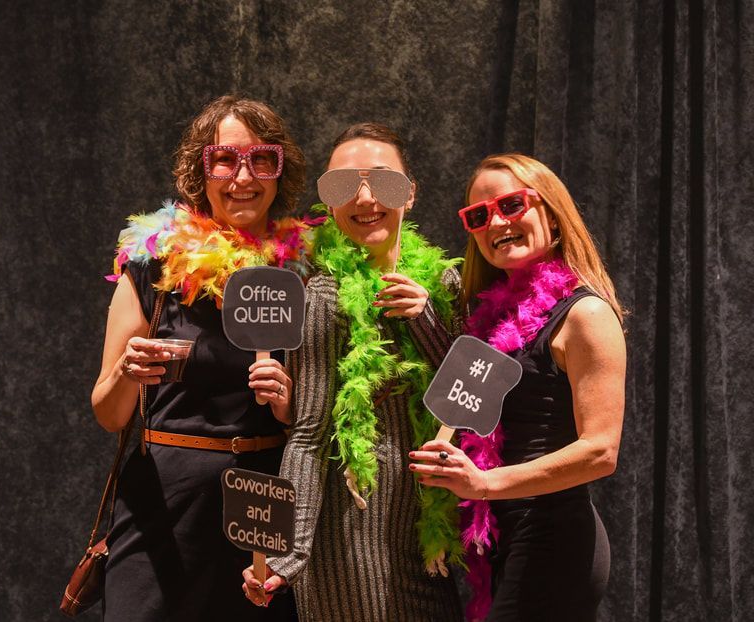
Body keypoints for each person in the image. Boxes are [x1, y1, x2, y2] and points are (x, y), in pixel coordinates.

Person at [92, 95, 309, 621]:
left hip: (266, 502)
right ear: (200, 170)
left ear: (281, 172)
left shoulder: (308, 275)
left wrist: (290, 405)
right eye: (224, 159)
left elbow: (335, 408)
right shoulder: (153, 268)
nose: (243, 176)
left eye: (261, 159)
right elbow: (108, 413)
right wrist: (126, 372)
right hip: (164, 505)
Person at [242, 123, 464, 621]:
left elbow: (473, 403)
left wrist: (426, 321)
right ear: (328, 201)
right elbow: (310, 435)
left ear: (410, 193)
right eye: (344, 185)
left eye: (382, 182)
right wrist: (288, 554)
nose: (365, 197)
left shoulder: (447, 282)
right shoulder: (320, 293)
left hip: (429, 530)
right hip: (349, 532)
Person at [409, 154, 626, 622]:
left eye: (511, 204)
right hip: (509, 537)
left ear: (550, 211)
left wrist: (483, 484)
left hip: (553, 538)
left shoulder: (585, 315)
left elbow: (600, 452)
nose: (497, 222)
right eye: (479, 215)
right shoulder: (493, 319)